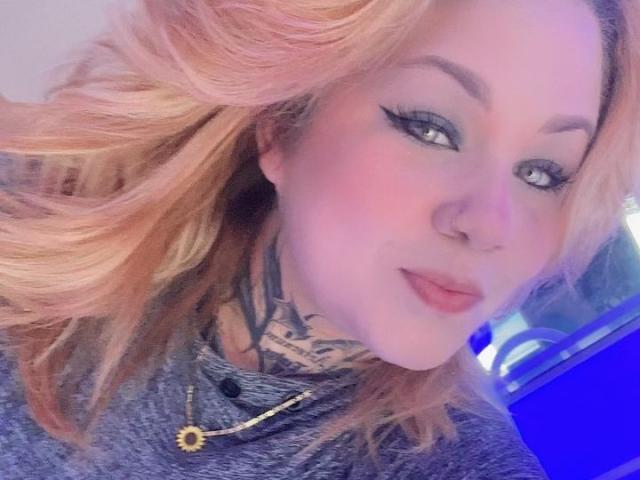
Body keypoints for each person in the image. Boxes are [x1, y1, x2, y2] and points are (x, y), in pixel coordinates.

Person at [0, 0, 638, 478]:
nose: (491, 225)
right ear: (282, 124)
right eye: (431, 127)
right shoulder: (36, 229)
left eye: (543, 173)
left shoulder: (458, 464)